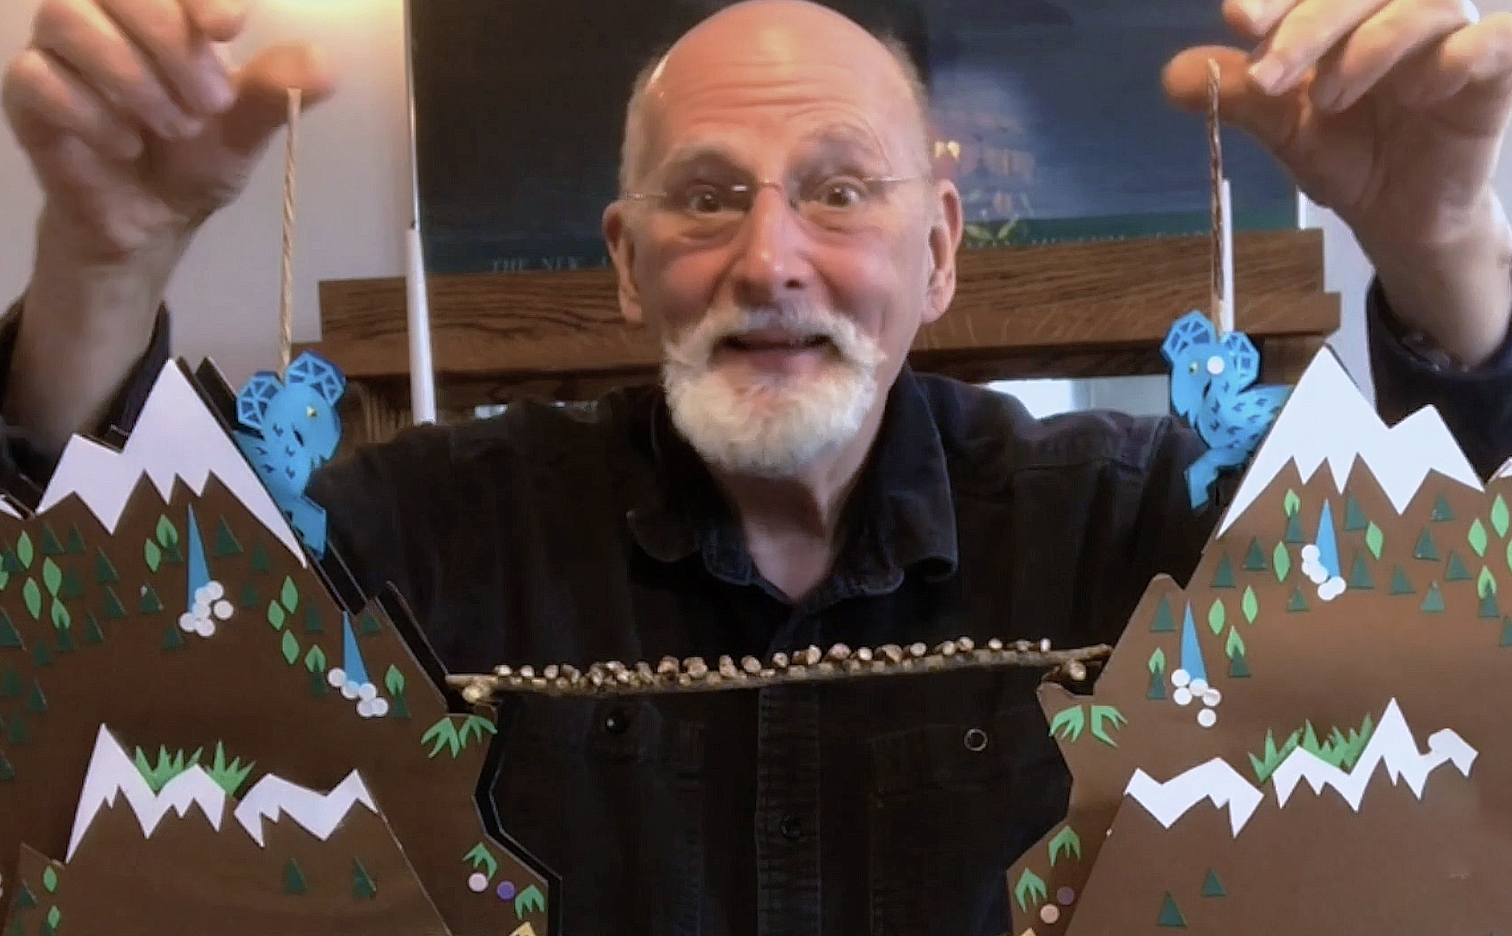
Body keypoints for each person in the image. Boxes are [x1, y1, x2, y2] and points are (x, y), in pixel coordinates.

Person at [5, 0, 1512, 931]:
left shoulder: (1139, 525)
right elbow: (131, 666)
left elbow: (1438, 679)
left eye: (841, 194)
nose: (770, 258)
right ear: (626, 265)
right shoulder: (429, 531)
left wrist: (1445, 249)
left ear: (936, 256)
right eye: (706, 197)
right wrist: (97, 276)